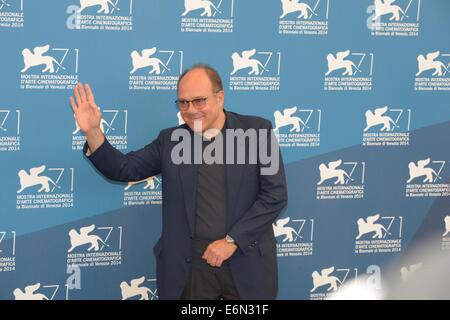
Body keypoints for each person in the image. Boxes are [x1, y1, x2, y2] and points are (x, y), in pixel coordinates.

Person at [69, 64, 288, 300]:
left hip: (246, 264)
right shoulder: (171, 140)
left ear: (220, 97)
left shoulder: (257, 132)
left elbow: (275, 195)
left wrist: (232, 240)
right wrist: (93, 132)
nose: (191, 110)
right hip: (190, 271)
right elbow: (125, 169)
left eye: (199, 101)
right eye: (183, 102)